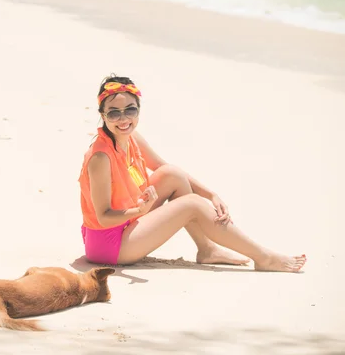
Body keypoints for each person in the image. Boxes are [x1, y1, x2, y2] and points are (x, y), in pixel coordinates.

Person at [78, 75, 306, 272]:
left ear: (138, 110)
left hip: (128, 223)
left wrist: (212, 195)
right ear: (102, 115)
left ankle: (207, 249)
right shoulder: (101, 157)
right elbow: (103, 216)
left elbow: (165, 169)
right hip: (108, 245)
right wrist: (138, 210)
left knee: (172, 175)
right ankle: (263, 257)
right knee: (192, 205)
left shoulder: (130, 138)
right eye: (114, 113)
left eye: (130, 109)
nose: (124, 119)